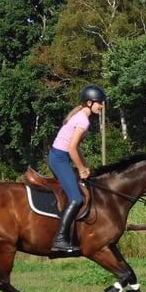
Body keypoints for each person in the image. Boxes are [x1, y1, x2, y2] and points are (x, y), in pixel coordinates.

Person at [47, 84, 107, 252]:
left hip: (60, 157)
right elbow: (72, 148)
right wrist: (81, 169)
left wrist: (85, 165)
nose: (101, 105)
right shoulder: (83, 120)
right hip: (60, 159)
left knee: (80, 190)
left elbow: (76, 148)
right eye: (99, 102)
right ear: (89, 102)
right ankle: (60, 239)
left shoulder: (81, 116)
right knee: (76, 199)